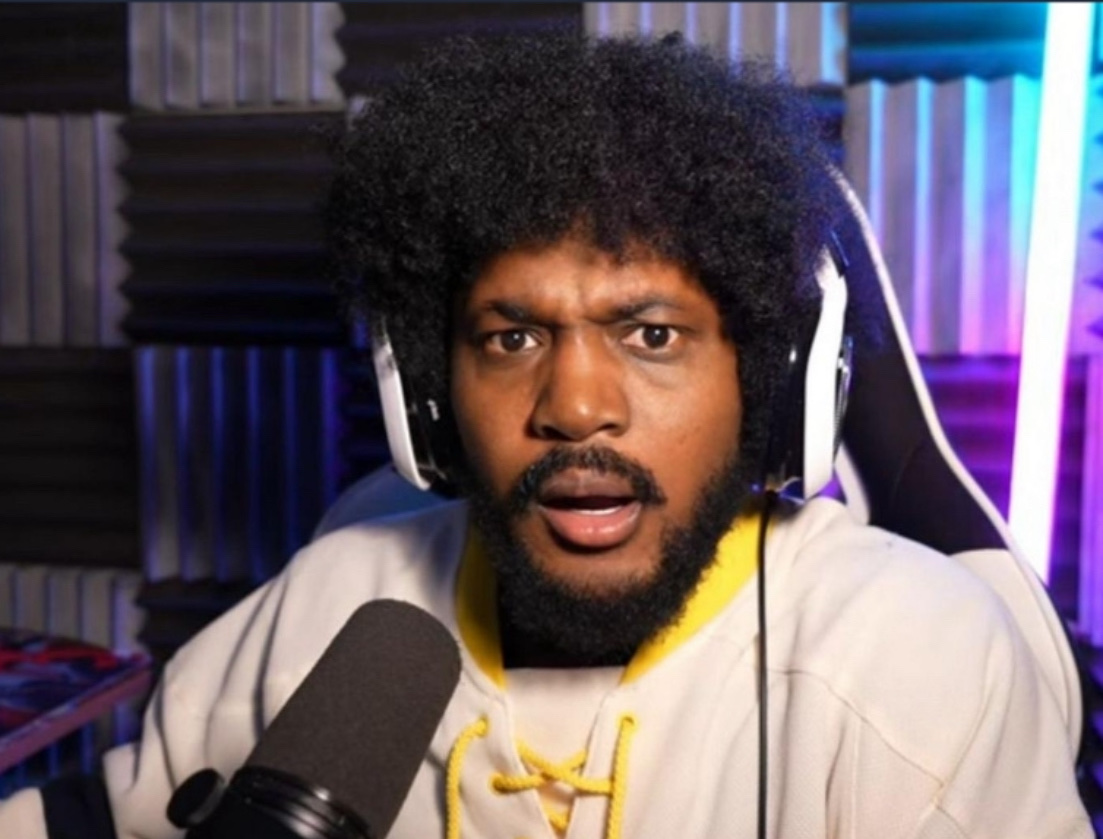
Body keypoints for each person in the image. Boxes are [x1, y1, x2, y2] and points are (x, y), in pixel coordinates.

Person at [0, 31, 1091, 839]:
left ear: (768, 381)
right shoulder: (335, 604)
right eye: (511, 335)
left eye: (651, 334)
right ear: (427, 395)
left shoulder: (908, 661)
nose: (572, 406)